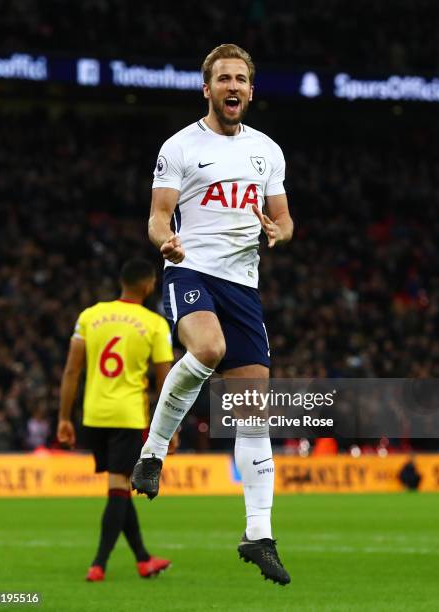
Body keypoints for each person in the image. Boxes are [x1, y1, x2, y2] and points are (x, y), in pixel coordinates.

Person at [131, 44, 294, 585]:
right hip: (191, 270)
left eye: (241, 79)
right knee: (208, 349)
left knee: (253, 414)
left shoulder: (267, 151)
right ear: (207, 88)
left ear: (251, 89)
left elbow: (285, 220)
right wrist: (168, 243)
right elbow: (157, 216)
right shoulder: (180, 146)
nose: (232, 86)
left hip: (243, 286)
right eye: (222, 78)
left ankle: (259, 535)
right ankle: (153, 453)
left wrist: (279, 231)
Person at [57, 258, 177, 582]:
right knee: (118, 488)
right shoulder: (154, 324)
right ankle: (98, 564)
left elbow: (71, 371)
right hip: (127, 416)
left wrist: (64, 417)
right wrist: (169, 425)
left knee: (119, 486)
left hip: (93, 415)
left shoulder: (90, 316)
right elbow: (166, 380)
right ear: (149, 285)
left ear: (122, 282)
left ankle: (143, 559)